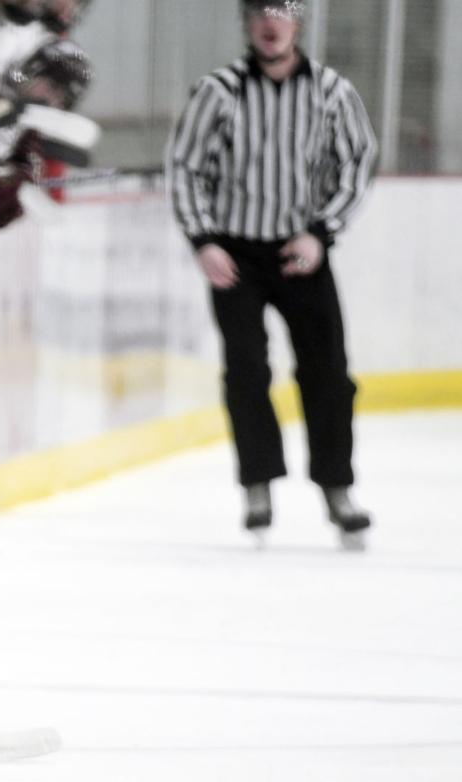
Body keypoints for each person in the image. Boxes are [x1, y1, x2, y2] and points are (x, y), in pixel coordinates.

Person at [165, 0, 377, 544]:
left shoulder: (331, 90)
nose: (270, 21)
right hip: (236, 253)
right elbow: (185, 166)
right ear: (247, 23)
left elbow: (357, 162)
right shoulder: (219, 90)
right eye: (260, 11)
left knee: (327, 371)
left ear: (297, 22)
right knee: (246, 370)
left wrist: (322, 233)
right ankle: (257, 484)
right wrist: (203, 240)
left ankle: (337, 488)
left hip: (301, 249)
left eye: (280, 11)